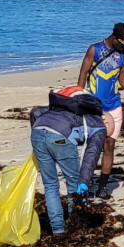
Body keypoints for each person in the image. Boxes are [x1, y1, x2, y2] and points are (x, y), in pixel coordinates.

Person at [29, 86, 107, 235]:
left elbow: (35, 112)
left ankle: (57, 230)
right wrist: (83, 181)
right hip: (60, 137)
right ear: (107, 123)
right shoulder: (100, 127)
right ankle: (75, 226)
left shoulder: (71, 108)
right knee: (73, 185)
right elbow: (91, 156)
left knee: (50, 185)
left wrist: (40, 138)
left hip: (37, 132)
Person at [77, 23, 124, 199]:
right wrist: (78, 95)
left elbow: (122, 75)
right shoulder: (94, 50)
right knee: (91, 146)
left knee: (109, 145)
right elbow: (83, 72)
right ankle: (84, 183)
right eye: (123, 42)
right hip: (94, 106)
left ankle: (102, 187)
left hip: (114, 105)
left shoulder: (123, 54)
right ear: (115, 38)